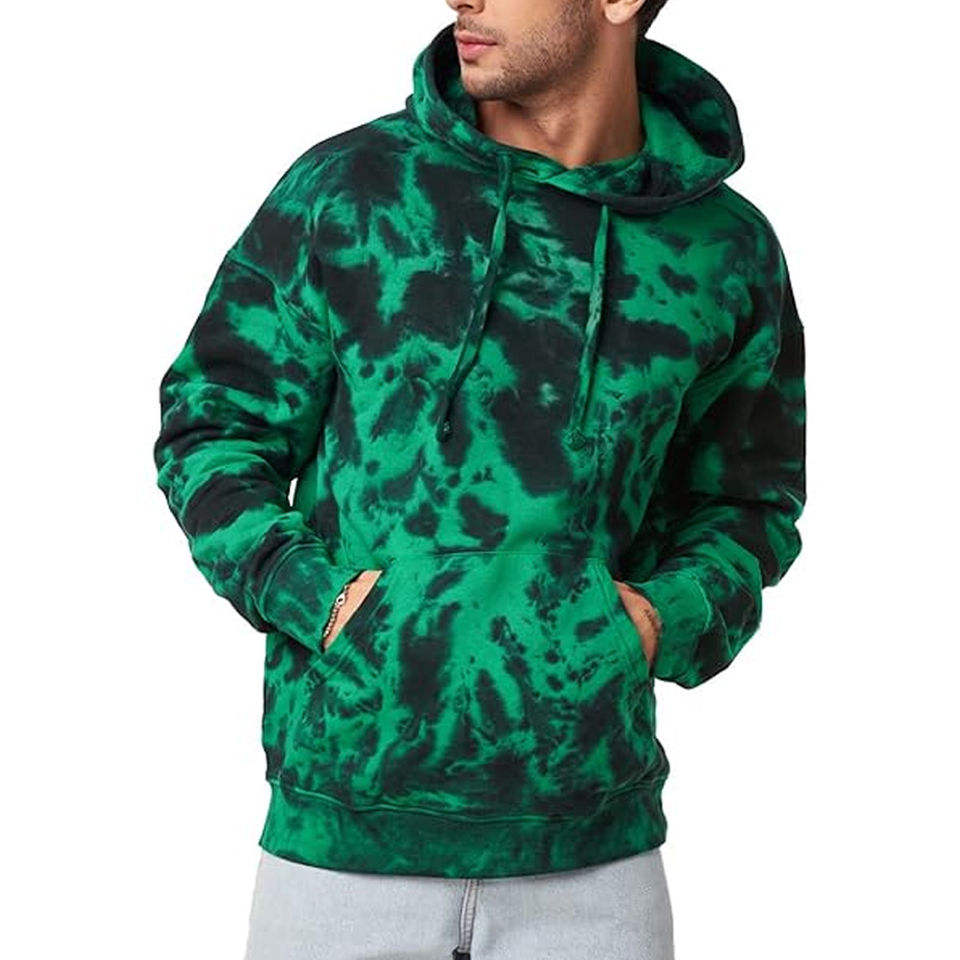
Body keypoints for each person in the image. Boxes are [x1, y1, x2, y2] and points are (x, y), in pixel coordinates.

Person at [152, 0, 807, 956]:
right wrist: (319, 602)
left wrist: (657, 620)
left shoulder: (722, 250)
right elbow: (213, 425)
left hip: (592, 856)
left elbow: (747, 501)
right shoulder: (352, 193)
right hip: (343, 838)